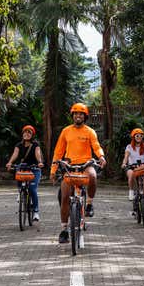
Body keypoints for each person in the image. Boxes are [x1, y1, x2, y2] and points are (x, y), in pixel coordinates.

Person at [50, 102, 106, 244]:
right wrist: (53, 170)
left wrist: (101, 157)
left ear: (85, 116)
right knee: (64, 197)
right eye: (75, 113)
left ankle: (89, 204)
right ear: (72, 116)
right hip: (69, 165)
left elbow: (97, 147)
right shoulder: (66, 131)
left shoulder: (90, 131)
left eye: (81, 114)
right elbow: (58, 152)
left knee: (93, 175)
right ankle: (64, 230)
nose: (78, 116)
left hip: (85, 164)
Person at [5, 124, 45, 221]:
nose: (26, 134)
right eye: (25, 132)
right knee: (18, 169)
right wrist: (10, 163)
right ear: (22, 134)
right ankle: (20, 191)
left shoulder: (36, 145)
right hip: (23, 168)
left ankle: (35, 212)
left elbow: (38, 154)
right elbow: (15, 154)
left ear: (32, 135)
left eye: (29, 132)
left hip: (34, 169)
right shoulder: (19, 145)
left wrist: (39, 162)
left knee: (32, 189)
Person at [121, 128, 144, 216]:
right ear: (133, 137)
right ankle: (131, 191)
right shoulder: (129, 147)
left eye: (141, 136)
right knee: (131, 174)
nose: (139, 137)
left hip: (142, 168)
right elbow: (126, 157)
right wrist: (124, 163)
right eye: (137, 136)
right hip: (132, 167)